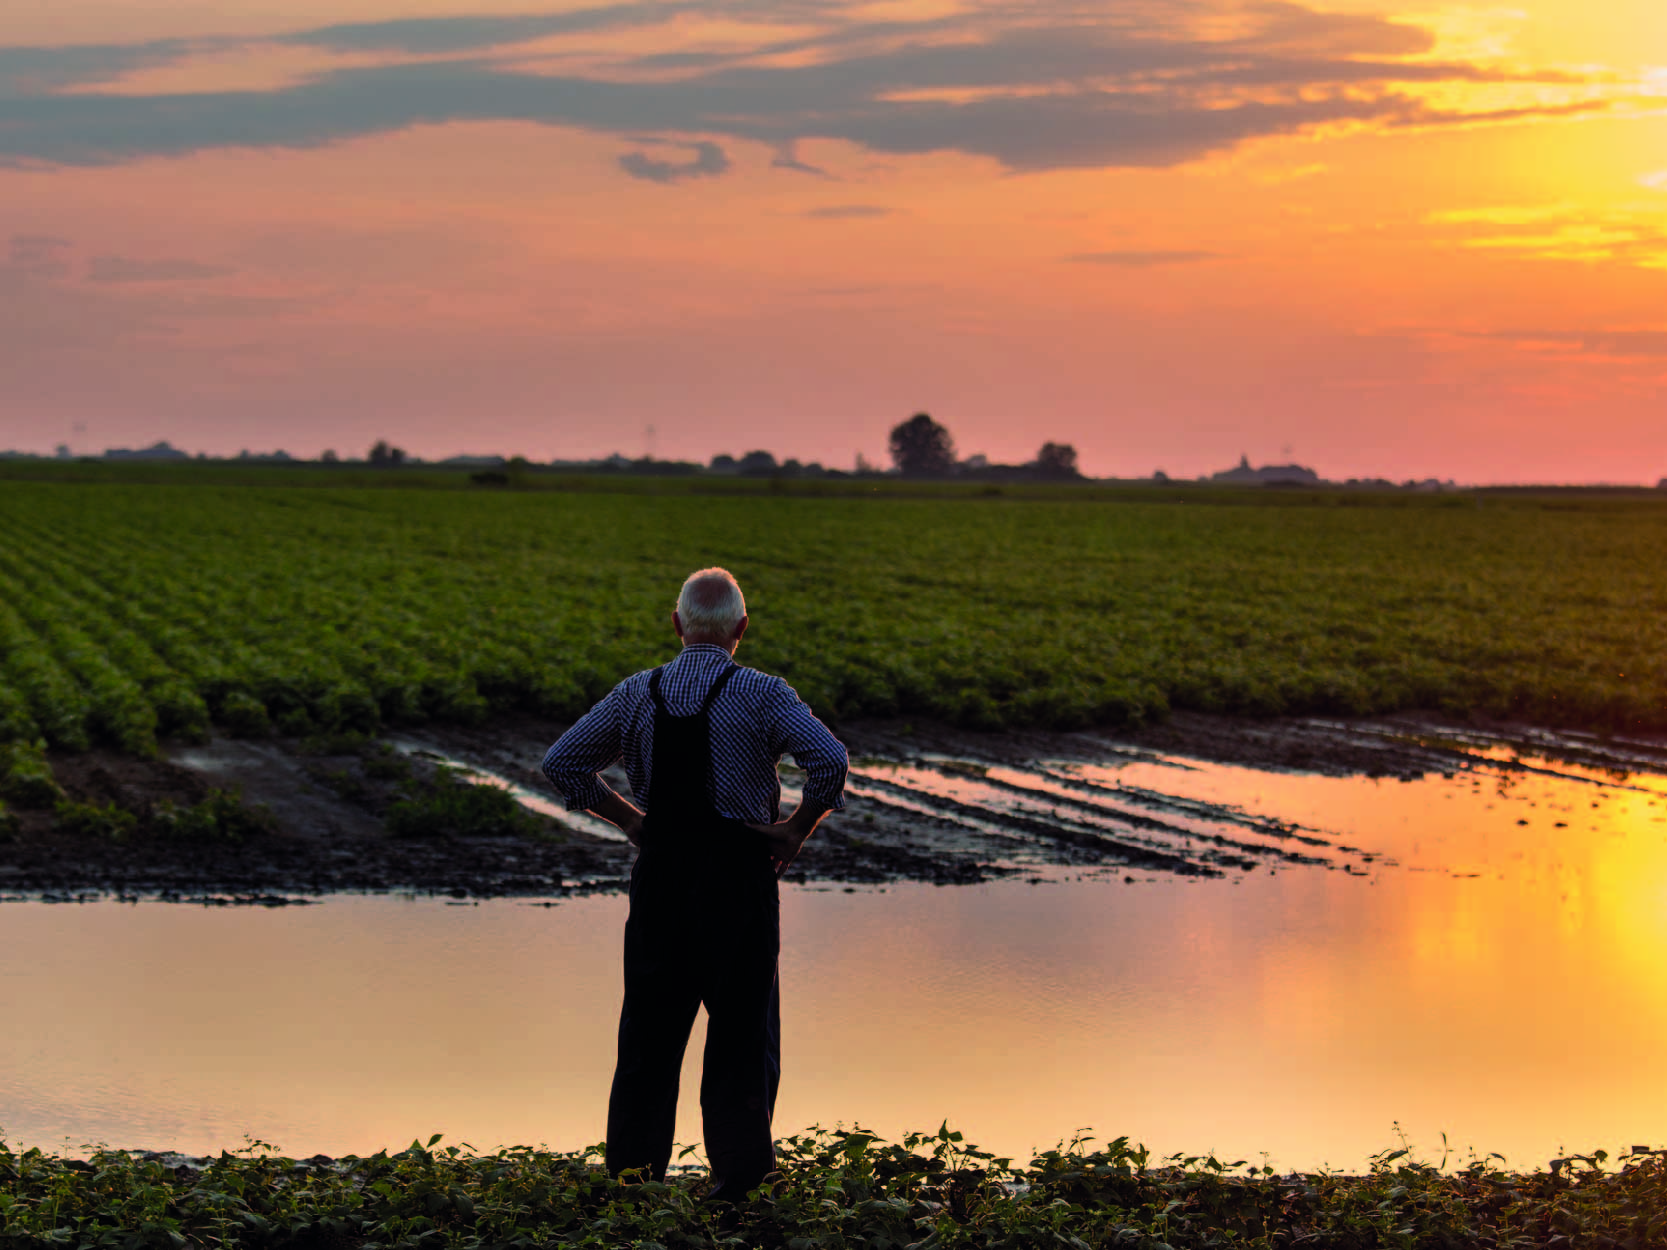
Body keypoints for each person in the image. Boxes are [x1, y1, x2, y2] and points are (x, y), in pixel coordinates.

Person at [540, 566, 848, 1201]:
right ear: (741, 628)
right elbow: (830, 759)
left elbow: (562, 762)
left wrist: (630, 820)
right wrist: (796, 829)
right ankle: (739, 1191)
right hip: (740, 882)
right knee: (741, 1036)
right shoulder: (764, 693)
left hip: (662, 879)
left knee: (648, 1038)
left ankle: (633, 1190)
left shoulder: (637, 692)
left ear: (678, 625)